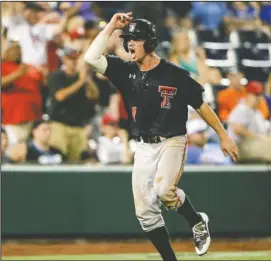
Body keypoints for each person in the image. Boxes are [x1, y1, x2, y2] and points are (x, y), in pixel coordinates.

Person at [84, 12, 239, 260]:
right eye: (128, 39)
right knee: (144, 211)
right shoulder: (125, 71)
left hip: (171, 141)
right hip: (143, 146)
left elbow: (201, 105)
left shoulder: (175, 74)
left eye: (135, 38)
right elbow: (91, 57)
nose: (129, 43)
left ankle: (197, 221)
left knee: (164, 190)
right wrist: (112, 26)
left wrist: (223, 135)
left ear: (150, 42)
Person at [47, 46, 99, 162]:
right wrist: (80, 82)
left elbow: (94, 95)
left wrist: (87, 79)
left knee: (77, 161)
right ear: (64, 59)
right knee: (59, 157)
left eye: (76, 58)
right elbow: (60, 96)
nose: (74, 61)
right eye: (71, 58)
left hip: (79, 126)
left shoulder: (81, 77)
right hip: (60, 125)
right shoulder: (57, 76)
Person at [1, 40, 43, 144]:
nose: (18, 52)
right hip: (13, 118)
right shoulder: (3, 66)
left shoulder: (27, 66)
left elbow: (40, 81)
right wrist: (17, 74)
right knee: (14, 150)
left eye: (19, 49)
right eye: (14, 49)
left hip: (33, 117)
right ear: (5, 52)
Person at [227, 81, 271, 163]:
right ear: (248, 95)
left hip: (252, 145)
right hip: (239, 147)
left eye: (260, 95)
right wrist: (257, 137)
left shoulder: (257, 113)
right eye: (255, 95)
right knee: (270, 149)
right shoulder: (241, 109)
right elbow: (237, 129)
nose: (258, 98)